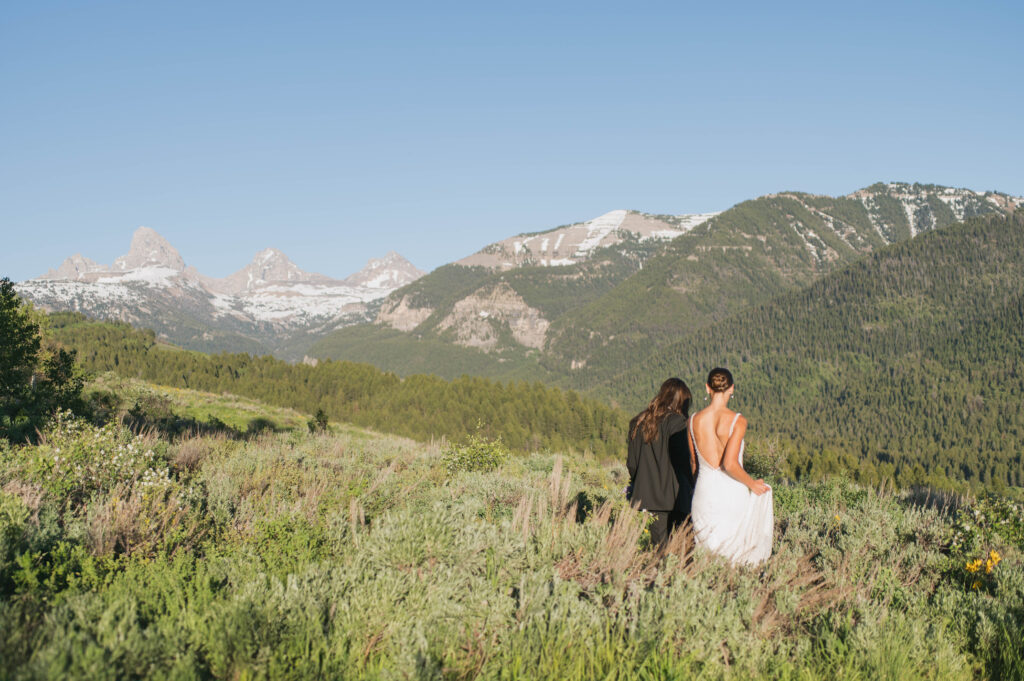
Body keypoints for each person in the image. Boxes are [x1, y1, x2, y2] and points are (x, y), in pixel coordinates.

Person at [688, 368, 773, 564]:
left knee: (705, 556)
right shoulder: (738, 421)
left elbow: (694, 463)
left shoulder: (692, 421)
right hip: (731, 495)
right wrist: (752, 484)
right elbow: (729, 464)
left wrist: (697, 486)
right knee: (735, 553)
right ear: (732, 389)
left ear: (707, 388)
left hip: (703, 492)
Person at [626, 377, 696, 546]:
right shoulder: (678, 423)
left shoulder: (638, 422)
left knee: (658, 549)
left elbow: (632, 464)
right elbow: (684, 463)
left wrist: (642, 483)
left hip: (648, 497)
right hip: (676, 498)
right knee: (681, 548)